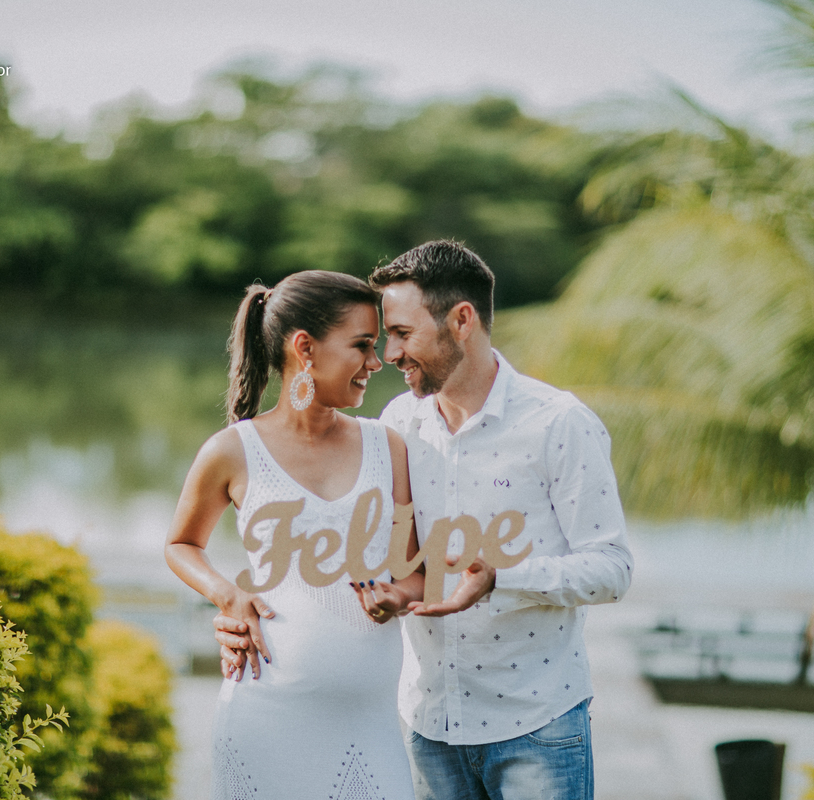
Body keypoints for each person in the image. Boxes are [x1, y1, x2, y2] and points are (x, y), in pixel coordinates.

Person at [217, 241, 634, 800]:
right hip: (427, 728)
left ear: (461, 320)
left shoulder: (559, 424)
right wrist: (240, 612)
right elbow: (337, 549)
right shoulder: (397, 424)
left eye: (403, 334)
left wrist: (500, 578)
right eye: (382, 337)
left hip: (537, 725)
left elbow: (612, 569)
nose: (389, 353)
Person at [164, 270, 424, 800]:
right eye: (362, 346)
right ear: (304, 347)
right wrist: (227, 594)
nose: (376, 363)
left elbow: (415, 575)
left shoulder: (387, 447)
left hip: (369, 729)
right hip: (264, 718)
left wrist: (397, 596)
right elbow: (181, 544)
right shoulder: (232, 450)